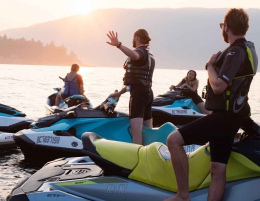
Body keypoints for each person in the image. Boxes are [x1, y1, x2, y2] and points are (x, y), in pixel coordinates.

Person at [165, 8, 257, 201]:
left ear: (228, 27)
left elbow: (218, 86)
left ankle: (182, 195)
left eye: (222, 26)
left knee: (173, 140)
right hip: (234, 118)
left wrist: (209, 66)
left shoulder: (235, 52)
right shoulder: (249, 50)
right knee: (217, 168)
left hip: (223, 118)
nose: (222, 29)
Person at [106, 29, 155, 145]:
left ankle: (137, 157)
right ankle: (150, 153)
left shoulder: (141, 52)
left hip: (138, 96)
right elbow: (135, 83)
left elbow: (135, 55)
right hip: (147, 93)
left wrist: (118, 45)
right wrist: (119, 93)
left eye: (134, 37)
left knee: (136, 130)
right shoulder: (149, 55)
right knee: (148, 130)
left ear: (137, 37)